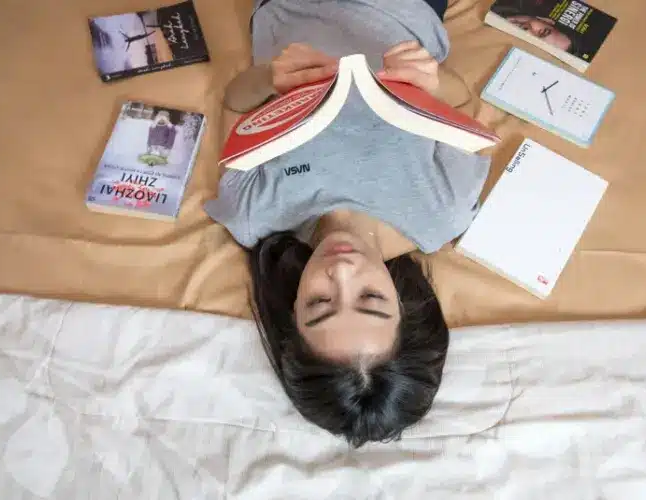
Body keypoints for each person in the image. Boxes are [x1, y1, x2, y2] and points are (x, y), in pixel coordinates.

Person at [204, 0, 492, 448]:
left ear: (292, 313)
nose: (340, 271)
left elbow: (234, 101)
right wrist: (431, 82)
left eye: (319, 302)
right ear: (405, 306)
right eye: (370, 297)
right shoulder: (442, 211)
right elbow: (461, 101)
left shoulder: (254, 213)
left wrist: (269, 78)